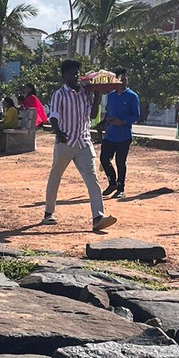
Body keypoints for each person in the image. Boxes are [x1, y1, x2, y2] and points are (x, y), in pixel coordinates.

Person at [42, 59, 117, 232]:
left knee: (93, 180)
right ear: (64, 76)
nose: (75, 76)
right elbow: (53, 116)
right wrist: (58, 132)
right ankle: (48, 213)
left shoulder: (85, 93)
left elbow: (92, 115)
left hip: (84, 141)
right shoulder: (59, 94)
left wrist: (97, 93)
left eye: (77, 73)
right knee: (55, 176)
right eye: (71, 73)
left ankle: (98, 217)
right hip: (65, 142)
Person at [99, 68, 140, 200]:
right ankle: (112, 183)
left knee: (120, 162)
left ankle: (121, 188)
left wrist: (122, 122)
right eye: (120, 79)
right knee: (104, 159)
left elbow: (136, 115)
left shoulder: (132, 96)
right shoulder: (110, 95)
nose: (122, 82)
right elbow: (108, 112)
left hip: (124, 136)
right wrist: (104, 122)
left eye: (125, 79)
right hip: (110, 135)